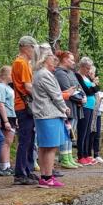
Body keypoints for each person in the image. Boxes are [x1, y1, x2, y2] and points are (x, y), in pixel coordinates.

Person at [31, 44, 70, 187]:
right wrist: (65, 108)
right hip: (48, 114)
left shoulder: (40, 73)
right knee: (50, 147)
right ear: (45, 58)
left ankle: (45, 176)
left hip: (44, 114)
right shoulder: (44, 74)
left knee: (44, 146)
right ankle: (47, 177)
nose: (54, 59)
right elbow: (56, 95)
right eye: (51, 57)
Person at [12, 36, 39, 185]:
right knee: (25, 139)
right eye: (33, 48)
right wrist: (41, 97)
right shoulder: (20, 63)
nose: (34, 51)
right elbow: (27, 86)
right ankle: (20, 173)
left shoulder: (25, 63)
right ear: (26, 47)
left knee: (30, 139)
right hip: (23, 105)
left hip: (26, 105)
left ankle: (28, 170)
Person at [54, 51, 82, 169]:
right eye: (71, 60)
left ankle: (69, 156)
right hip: (66, 106)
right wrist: (79, 97)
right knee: (66, 133)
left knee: (71, 134)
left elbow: (78, 87)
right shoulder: (60, 73)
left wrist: (81, 96)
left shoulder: (71, 73)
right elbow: (67, 90)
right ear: (65, 60)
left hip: (74, 106)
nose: (73, 62)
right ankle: (64, 158)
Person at [74, 57, 98, 165]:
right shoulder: (78, 76)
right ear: (82, 66)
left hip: (91, 106)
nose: (89, 70)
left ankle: (86, 154)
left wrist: (93, 86)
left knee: (88, 132)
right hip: (84, 106)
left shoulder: (87, 77)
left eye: (89, 68)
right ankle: (80, 155)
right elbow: (87, 91)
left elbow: (97, 88)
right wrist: (93, 87)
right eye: (87, 68)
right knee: (82, 131)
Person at [0, 66, 16, 174]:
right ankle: (4, 165)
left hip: (12, 115)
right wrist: (5, 121)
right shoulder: (0, 87)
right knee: (5, 141)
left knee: (9, 141)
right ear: (6, 75)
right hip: (6, 116)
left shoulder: (8, 87)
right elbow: (0, 103)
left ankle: (7, 164)